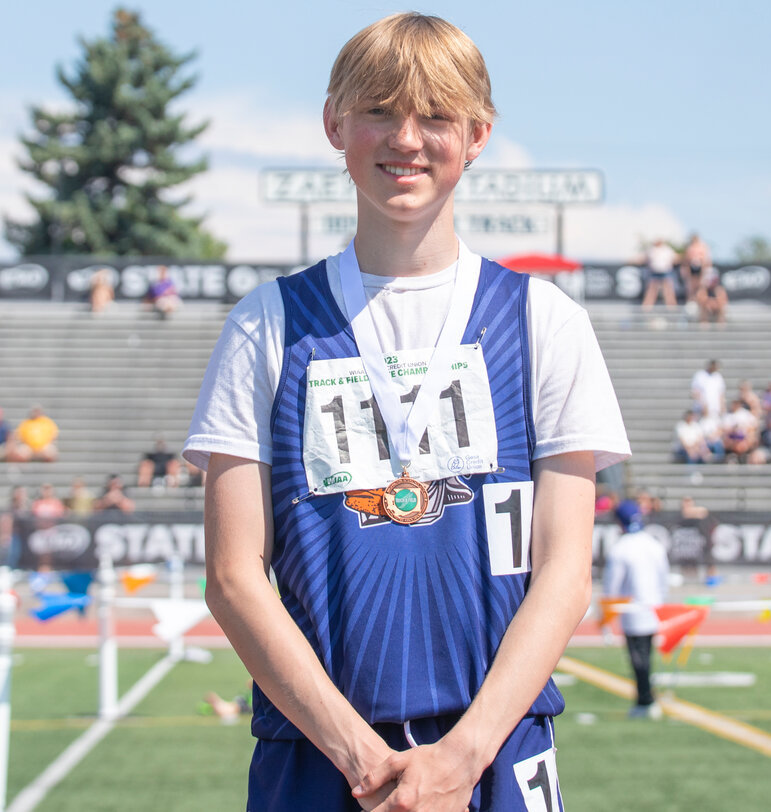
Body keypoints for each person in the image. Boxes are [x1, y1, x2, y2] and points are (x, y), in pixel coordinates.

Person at [184, 13, 631, 812]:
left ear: (479, 133)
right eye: (381, 111)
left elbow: (564, 571)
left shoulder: (545, 320)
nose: (408, 138)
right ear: (335, 124)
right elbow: (232, 574)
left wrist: (463, 755)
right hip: (316, 754)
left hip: (496, 751)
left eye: (436, 116)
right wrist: (360, 756)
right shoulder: (267, 322)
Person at [602, 500, 668, 719]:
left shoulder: (621, 548)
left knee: (638, 658)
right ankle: (647, 697)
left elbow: (613, 585)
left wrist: (608, 616)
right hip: (653, 607)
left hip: (632, 610)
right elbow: (663, 578)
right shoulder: (653, 543)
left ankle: (645, 700)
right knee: (646, 655)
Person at [641, 238, 679, 311]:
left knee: (668, 292)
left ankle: (672, 309)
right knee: (651, 292)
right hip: (654, 273)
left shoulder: (667, 250)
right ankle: (646, 309)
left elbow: (675, 258)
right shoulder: (651, 250)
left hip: (665, 273)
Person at [680, 233, 711, 302]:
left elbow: (706, 259)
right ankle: (691, 300)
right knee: (691, 286)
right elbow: (687, 259)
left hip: (700, 267)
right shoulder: (690, 247)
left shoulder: (702, 247)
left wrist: (705, 269)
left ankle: (702, 301)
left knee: (701, 285)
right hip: (692, 267)